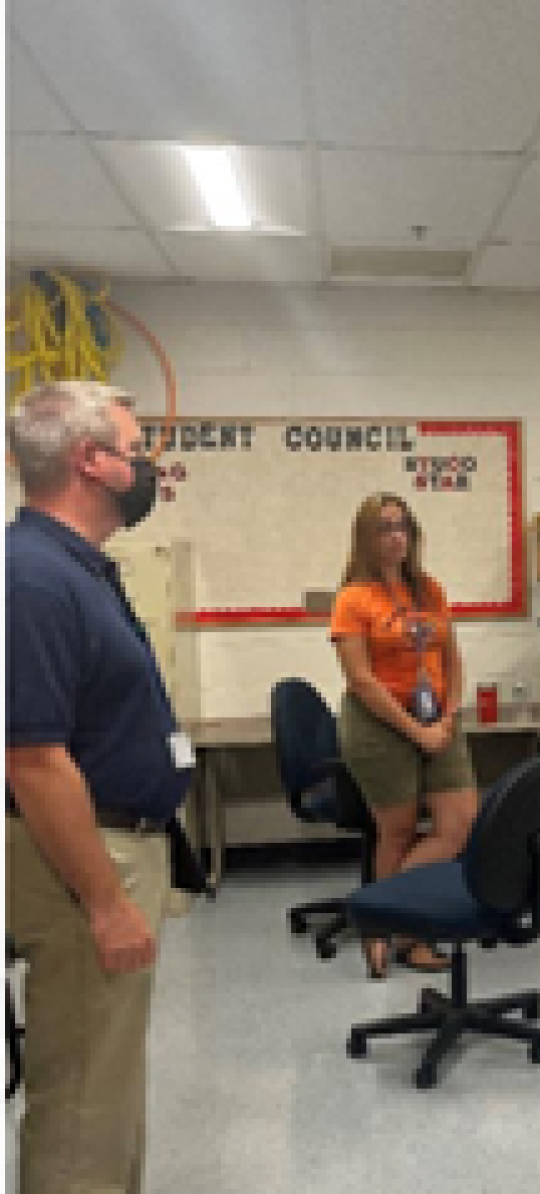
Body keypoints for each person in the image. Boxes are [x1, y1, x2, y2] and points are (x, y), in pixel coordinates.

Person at [6, 380, 195, 1192]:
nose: (147, 464)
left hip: (117, 845)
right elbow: (32, 760)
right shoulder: (33, 579)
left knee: (107, 1085)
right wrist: (106, 901)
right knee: (84, 1095)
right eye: (135, 447)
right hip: (85, 863)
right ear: (91, 461)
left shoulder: (73, 567)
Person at [329, 493, 478, 978]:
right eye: (385, 527)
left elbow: (451, 656)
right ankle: (388, 931)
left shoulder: (429, 590)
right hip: (380, 725)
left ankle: (386, 911)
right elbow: (361, 680)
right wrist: (417, 731)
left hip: (437, 720)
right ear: (366, 538)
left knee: (459, 824)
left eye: (403, 527)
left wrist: (450, 714)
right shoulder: (354, 598)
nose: (396, 536)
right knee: (396, 831)